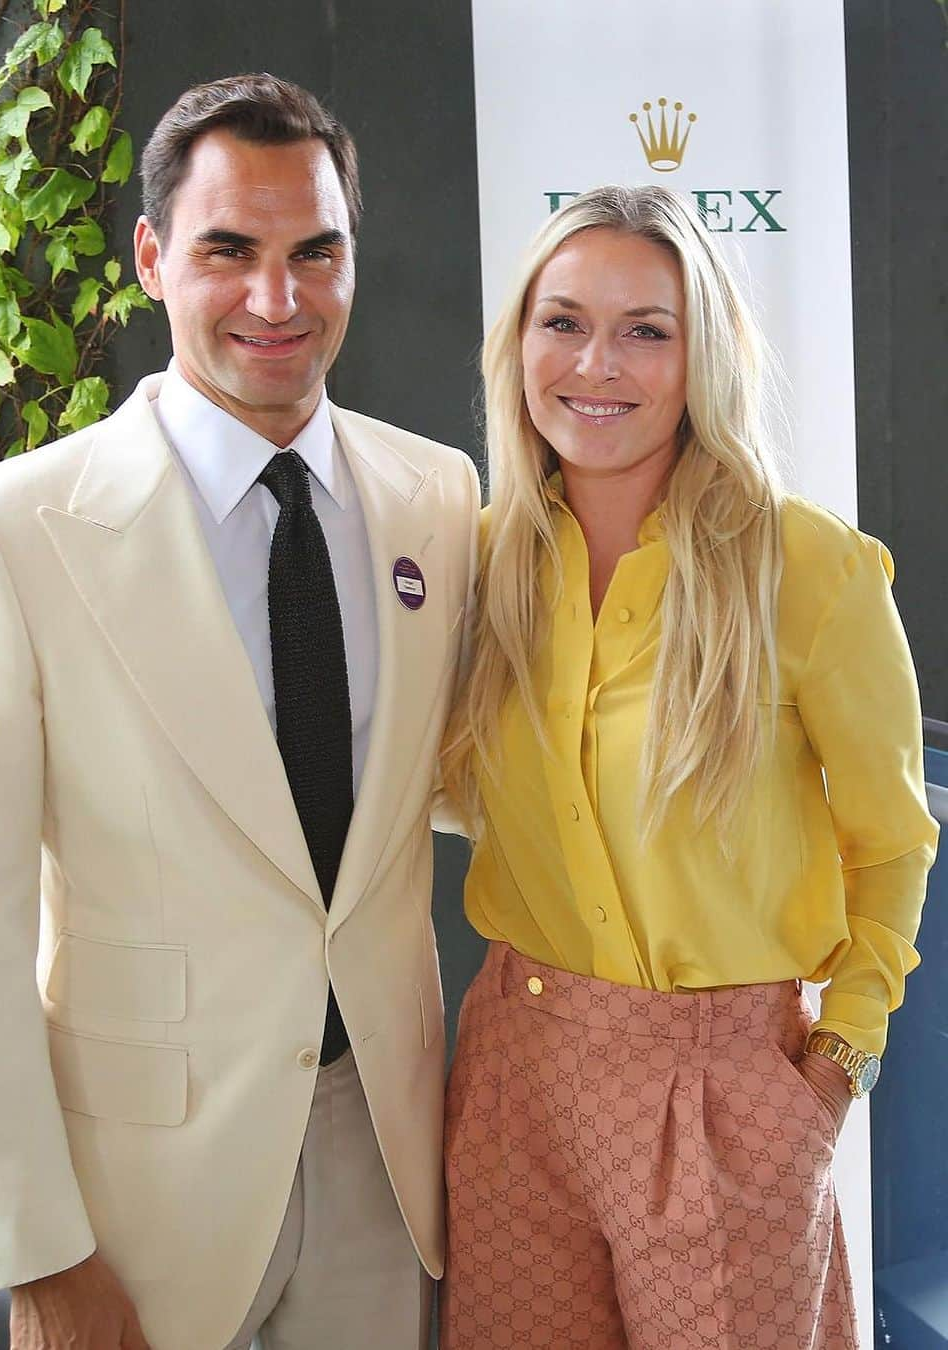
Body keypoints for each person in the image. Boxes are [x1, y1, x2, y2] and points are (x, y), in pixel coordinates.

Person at [0, 73, 478, 1350]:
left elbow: (482, 786)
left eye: (313, 252)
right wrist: (38, 1253)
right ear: (154, 258)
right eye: (230, 251)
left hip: (386, 1156)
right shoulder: (3, 534)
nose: (278, 299)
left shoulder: (439, 497)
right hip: (131, 1200)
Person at [438, 184, 938, 1348]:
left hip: (728, 1091)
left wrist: (837, 1066)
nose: (595, 363)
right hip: (517, 1069)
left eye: (645, 330)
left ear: (699, 352)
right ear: (518, 344)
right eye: (561, 322)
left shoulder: (807, 568)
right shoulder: (472, 568)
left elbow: (895, 839)